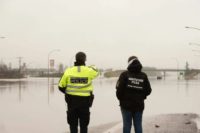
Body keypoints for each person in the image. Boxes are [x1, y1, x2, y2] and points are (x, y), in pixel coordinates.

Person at [58, 52, 99, 133]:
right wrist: (91, 66)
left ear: (75, 59)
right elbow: (96, 71)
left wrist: (68, 93)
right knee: (84, 126)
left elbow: (60, 86)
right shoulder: (89, 71)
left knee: (73, 125)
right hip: (85, 102)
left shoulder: (68, 71)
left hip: (71, 102)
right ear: (85, 59)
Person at [116, 56, 152, 133]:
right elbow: (148, 90)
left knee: (127, 125)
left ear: (129, 63)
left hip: (126, 106)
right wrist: (142, 97)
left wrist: (121, 99)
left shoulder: (124, 75)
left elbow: (119, 90)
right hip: (139, 105)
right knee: (138, 125)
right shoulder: (143, 75)